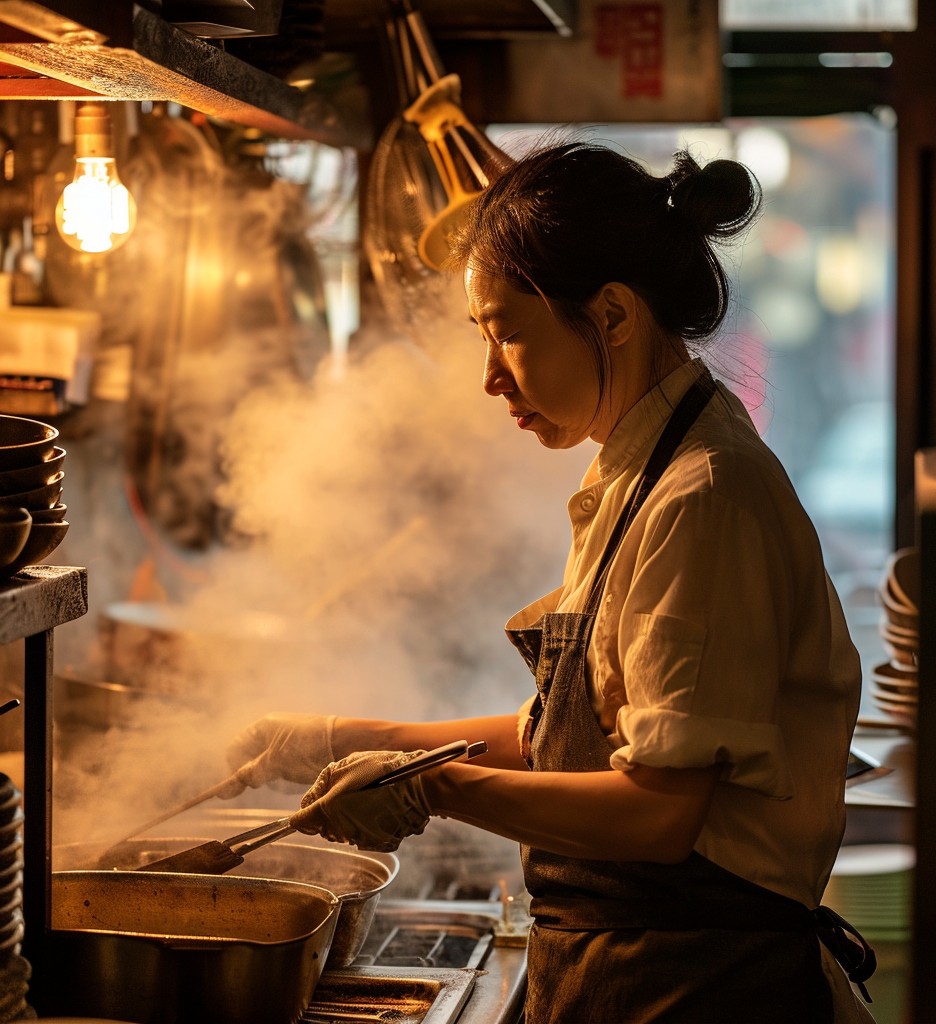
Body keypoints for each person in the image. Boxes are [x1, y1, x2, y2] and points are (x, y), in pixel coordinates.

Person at [227, 143, 876, 1024]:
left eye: (508, 333)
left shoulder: (703, 496)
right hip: (632, 975)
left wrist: (430, 787)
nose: (489, 376)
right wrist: (348, 736)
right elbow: (571, 738)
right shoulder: (640, 473)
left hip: (696, 990)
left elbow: (657, 812)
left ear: (611, 313)